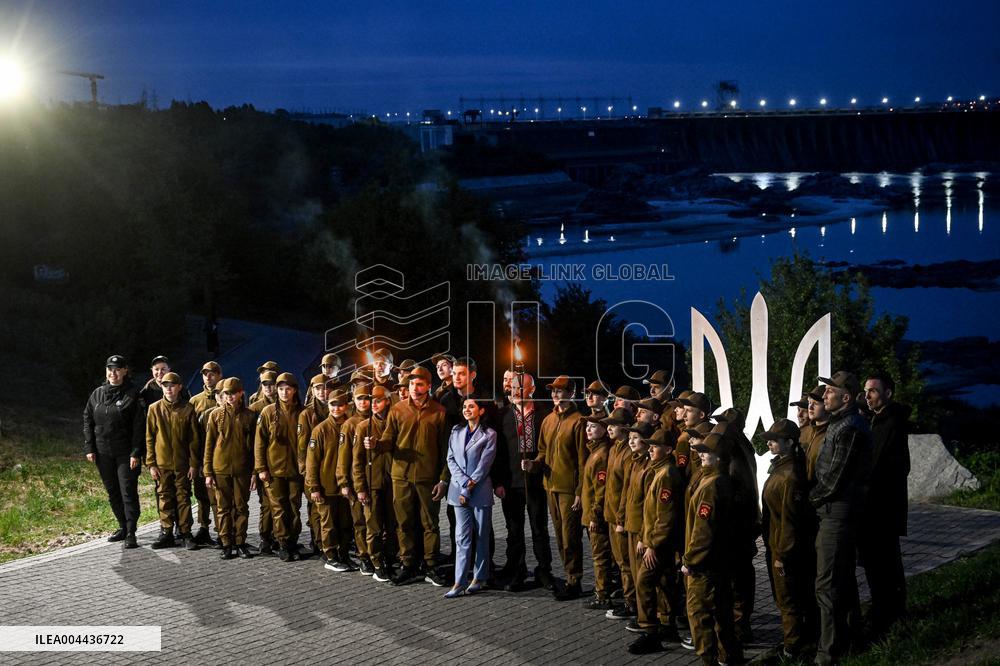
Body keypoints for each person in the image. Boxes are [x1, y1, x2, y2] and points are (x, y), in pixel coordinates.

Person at [811, 371, 872, 665]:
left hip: (837, 513)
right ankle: (852, 639)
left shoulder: (849, 428)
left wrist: (808, 500)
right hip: (837, 512)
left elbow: (835, 478)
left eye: (830, 391)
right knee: (843, 580)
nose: (824, 396)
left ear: (845, 397)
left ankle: (828, 653)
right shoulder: (843, 424)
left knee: (827, 584)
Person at [373, 365, 450, 587]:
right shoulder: (397, 410)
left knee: (430, 524)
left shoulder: (439, 412)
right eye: (411, 384)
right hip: (402, 476)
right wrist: (377, 445)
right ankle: (407, 564)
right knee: (404, 523)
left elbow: (445, 450)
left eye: (419, 384)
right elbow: (389, 440)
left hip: (428, 478)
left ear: (428, 386)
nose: (414, 388)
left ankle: (431, 565)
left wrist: (443, 479)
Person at [526, 375, 588, 600]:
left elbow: (583, 462)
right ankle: (569, 575)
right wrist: (534, 464)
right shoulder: (548, 420)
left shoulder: (579, 421)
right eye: (553, 390)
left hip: (570, 490)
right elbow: (542, 451)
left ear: (570, 393)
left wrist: (581, 492)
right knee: (560, 537)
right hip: (549, 486)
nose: (555, 394)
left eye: (560, 390)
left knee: (570, 537)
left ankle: (575, 580)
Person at [682, 432, 741, 666]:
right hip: (719, 561)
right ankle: (730, 658)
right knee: (722, 613)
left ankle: (709, 660)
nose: (702, 455)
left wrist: (690, 560)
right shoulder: (720, 480)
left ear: (720, 458)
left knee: (700, 616)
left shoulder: (712, 485)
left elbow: (703, 531)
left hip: (705, 565)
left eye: (708, 452)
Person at [859, 373, 911, 639]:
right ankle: (888, 609)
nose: (867, 396)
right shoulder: (879, 420)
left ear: (888, 393)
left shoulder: (890, 423)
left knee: (884, 562)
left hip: (882, 507)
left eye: (873, 391)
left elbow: (881, 465)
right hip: (878, 506)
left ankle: (888, 612)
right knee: (880, 562)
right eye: (866, 391)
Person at [761, 418, 817, 659]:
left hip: (785, 549)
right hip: (777, 544)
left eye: (775, 440)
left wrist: (783, 554)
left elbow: (790, 519)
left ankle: (793, 648)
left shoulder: (790, 474)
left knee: (789, 599)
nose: (770, 443)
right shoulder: (782, 467)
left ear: (790, 442)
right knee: (788, 597)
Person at [495, 372, 553, 591]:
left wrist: (537, 466)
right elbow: (498, 451)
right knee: (513, 530)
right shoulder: (503, 415)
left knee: (539, 529)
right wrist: (498, 481)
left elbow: (549, 449)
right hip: (510, 483)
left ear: (532, 390)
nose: (516, 391)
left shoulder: (543, 415)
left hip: (536, 482)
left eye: (521, 388)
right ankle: (517, 570)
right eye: (514, 387)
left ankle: (544, 571)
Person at [629, 428, 684, 654]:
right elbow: (649, 512)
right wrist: (644, 537)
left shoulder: (667, 474)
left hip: (661, 544)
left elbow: (665, 516)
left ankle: (650, 631)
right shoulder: (658, 470)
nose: (650, 448)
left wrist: (653, 544)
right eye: (649, 445)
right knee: (664, 582)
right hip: (654, 540)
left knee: (644, 582)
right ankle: (667, 625)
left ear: (668, 450)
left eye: (655, 446)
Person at [83, 355, 145, 549]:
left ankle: (132, 531)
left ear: (125, 371)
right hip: (103, 453)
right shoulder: (97, 394)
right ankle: (122, 527)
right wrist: (89, 447)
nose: (113, 373)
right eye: (110, 369)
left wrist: (136, 452)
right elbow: (88, 419)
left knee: (127, 492)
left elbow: (139, 426)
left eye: (117, 369)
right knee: (112, 492)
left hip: (126, 453)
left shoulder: (133, 394)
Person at [444, 397, 498, 597]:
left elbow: (485, 465)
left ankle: (479, 577)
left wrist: (468, 488)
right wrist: (463, 484)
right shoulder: (456, 432)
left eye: (471, 406)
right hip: (458, 491)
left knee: (482, 535)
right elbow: (450, 459)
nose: (467, 409)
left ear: (481, 411)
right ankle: (459, 582)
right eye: (464, 406)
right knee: (462, 537)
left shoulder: (489, 434)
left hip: (479, 491)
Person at [145, 372, 200, 550]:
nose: (169, 389)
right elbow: (150, 438)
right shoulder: (154, 408)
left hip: (182, 463)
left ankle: (185, 532)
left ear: (179, 387)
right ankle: (166, 532)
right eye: (165, 385)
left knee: (183, 498)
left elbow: (194, 439)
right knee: (164, 497)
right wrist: (151, 463)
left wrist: (193, 463)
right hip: (162, 463)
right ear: (162, 387)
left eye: (172, 385)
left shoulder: (188, 408)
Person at [204, 377, 257, 560]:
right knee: (223, 508)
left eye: (233, 393)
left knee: (242, 507)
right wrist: (208, 472)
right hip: (220, 469)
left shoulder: (249, 416)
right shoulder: (215, 415)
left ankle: (241, 542)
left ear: (241, 393)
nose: (230, 397)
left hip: (242, 469)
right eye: (226, 393)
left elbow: (253, 448)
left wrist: (254, 472)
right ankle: (226, 543)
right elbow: (209, 445)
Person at [255, 372, 306, 561]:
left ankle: (293, 542)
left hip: (295, 471)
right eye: (281, 389)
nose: (285, 392)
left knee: (294, 507)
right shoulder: (268, 412)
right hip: (273, 471)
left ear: (294, 390)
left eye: (288, 389)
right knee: (278, 509)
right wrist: (261, 468)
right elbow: (259, 443)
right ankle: (283, 543)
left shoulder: (303, 412)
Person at [306, 388, 355, 571]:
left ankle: (343, 554)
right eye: (333, 405)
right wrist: (314, 487)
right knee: (328, 524)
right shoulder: (320, 430)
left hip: (345, 486)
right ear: (328, 406)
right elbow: (312, 462)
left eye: (340, 405)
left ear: (346, 406)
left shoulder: (350, 426)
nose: (337, 408)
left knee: (344, 523)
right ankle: (330, 555)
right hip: (326, 487)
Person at [354, 385, 398, 582]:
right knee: (373, 527)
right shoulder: (363, 426)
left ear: (387, 401)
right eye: (372, 401)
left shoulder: (394, 422)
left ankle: (389, 559)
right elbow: (357, 462)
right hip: (372, 485)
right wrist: (360, 488)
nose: (374, 404)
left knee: (392, 525)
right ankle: (377, 563)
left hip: (393, 483)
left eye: (378, 400)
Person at [602, 407, 638, 620]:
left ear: (624, 428)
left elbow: (627, 489)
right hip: (611, 514)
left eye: (612, 425)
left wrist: (621, 519)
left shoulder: (627, 454)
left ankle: (631, 604)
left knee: (626, 563)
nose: (608, 428)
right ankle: (629, 600)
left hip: (619, 518)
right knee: (620, 562)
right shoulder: (615, 448)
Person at [338, 383, 374, 575]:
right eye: (360, 399)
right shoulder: (349, 424)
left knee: (375, 522)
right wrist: (344, 482)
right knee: (360, 522)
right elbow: (343, 457)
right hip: (356, 481)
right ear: (354, 400)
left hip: (376, 481)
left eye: (367, 398)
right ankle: (364, 557)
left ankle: (377, 554)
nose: (364, 402)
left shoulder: (378, 419)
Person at [189, 361, 224, 546]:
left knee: (219, 497)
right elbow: (191, 433)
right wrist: (195, 461)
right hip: (202, 455)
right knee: (202, 495)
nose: (208, 377)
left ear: (219, 375)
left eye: (212, 373)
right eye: (205, 374)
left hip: (222, 458)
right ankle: (203, 527)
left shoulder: (227, 394)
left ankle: (223, 530)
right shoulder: (195, 401)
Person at [581, 413, 613, 611]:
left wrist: (594, 515)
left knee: (599, 556)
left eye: (593, 427)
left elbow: (600, 490)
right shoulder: (594, 451)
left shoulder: (601, 455)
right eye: (587, 427)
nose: (588, 430)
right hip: (590, 513)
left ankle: (602, 595)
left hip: (596, 517)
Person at [298, 374, 330, 556]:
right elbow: (302, 447)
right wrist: (306, 472)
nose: (322, 392)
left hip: (332, 468)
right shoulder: (307, 413)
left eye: (325, 388)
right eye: (318, 388)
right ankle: (319, 543)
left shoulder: (338, 409)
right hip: (313, 469)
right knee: (316, 508)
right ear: (312, 390)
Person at [248, 370, 278, 555]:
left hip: (282, 465)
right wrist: (255, 469)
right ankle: (265, 539)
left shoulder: (286, 404)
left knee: (281, 504)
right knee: (266, 504)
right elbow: (253, 443)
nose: (268, 387)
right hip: (263, 465)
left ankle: (279, 536)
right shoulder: (255, 408)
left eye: (272, 384)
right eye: (265, 384)